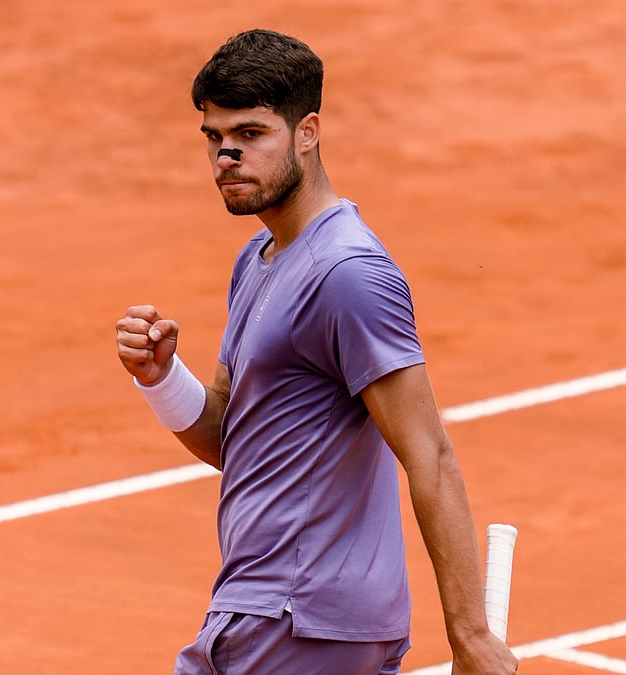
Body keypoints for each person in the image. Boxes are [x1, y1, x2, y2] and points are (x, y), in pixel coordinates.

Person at [115, 29, 518, 675]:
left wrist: (470, 636)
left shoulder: (347, 273)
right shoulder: (259, 258)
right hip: (280, 610)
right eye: (214, 137)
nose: (227, 156)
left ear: (308, 132)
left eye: (250, 134)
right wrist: (160, 378)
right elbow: (236, 442)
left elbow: (429, 453)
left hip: (295, 614)